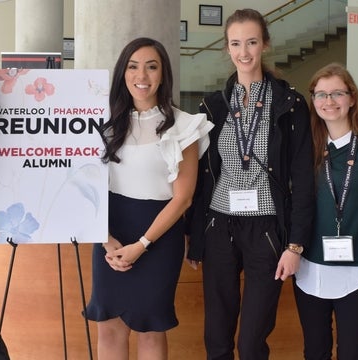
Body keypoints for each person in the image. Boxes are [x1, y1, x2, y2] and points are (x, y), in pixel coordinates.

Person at [185, 8, 315, 360]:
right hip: (220, 225)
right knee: (217, 336)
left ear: (265, 44)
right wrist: (197, 238)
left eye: (252, 42)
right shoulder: (213, 106)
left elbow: (303, 178)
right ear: (227, 48)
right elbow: (202, 178)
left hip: (268, 230)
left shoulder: (290, 104)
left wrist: (296, 244)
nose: (244, 52)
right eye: (236, 43)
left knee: (252, 341)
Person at [84, 37, 213, 359]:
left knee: (150, 329)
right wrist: (105, 239)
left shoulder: (184, 126)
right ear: (123, 73)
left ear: (163, 74)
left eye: (151, 66)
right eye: (133, 66)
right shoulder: (102, 123)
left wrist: (142, 245)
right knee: (108, 326)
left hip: (158, 236)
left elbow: (183, 198)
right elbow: (84, 186)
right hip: (108, 234)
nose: (142, 75)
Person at [293, 62, 358, 360]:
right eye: (320, 94)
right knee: (315, 351)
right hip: (310, 270)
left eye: (336, 93)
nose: (328, 101)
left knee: (353, 352)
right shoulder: (304, 149)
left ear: (352, 98)